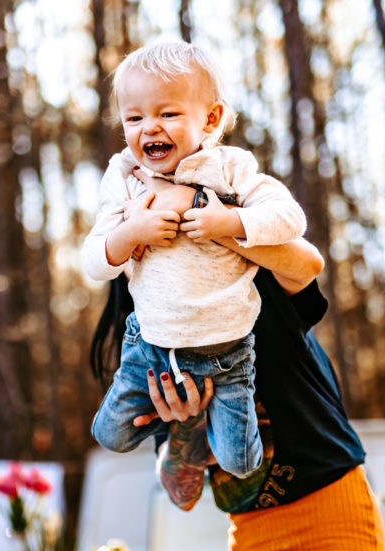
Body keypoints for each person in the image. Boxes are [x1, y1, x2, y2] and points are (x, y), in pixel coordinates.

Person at [89, 176, 385, 551]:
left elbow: (308, 264)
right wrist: (187, 423)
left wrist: (216, 225)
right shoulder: (149, 332)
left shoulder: (251, 271)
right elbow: (182, 492)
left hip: (333, 537)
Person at [82, 41, 307, 478]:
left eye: (167, 114)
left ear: (210, 118)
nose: (149, 128)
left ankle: (229, 427)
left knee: (240, 464)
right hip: (150, 347)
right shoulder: (125, 177)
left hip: (228, 352)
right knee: (109, 435)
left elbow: (290, 218)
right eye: (135, 117)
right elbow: (94, 260)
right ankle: (182, 422)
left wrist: (227, 222)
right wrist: (132, 232)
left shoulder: (230, 169)